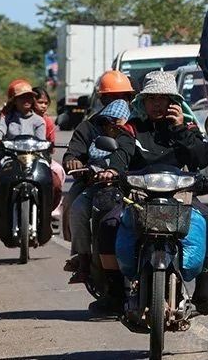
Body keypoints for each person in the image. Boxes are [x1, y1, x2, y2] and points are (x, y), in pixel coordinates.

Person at [111, 71, 208, 318]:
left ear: (173, 102)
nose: (157, 104)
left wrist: (179, 129)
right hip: (138, 196)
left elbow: (199, 159)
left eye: (163, 98)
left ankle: (204, 293)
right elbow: (121, 155)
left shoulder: (187, 127)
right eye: (151, 98)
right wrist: (113, 171)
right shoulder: (131, 129)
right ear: (143, 101)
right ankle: (113, 294)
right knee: (108, 222)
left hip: (180, 196)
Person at [62, 70, 137, 279]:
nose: (118, 103)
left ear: (131, 99)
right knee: (77, 208)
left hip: (136, 184)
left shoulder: (138, 125)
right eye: (111, 98)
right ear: (103, 100)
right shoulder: (88, 127)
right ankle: (83, 259)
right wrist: (73, 161)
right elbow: (73, 152)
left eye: (123, 97)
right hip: (96, 184)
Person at [0, 79, 48, 232]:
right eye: (22, 97)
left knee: (48, 179)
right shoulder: (7, 118)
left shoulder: (39, 121)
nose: (26, 100)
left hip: (33, 159)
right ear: (14, 101)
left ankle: (47, 214)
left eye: (29, 97)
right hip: (10, 158)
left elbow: (41, 142)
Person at [31, 86, 66, 215]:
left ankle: (54, 210)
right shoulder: (20, 117)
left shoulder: (48, 121)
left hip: (42, 159)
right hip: (21, 158)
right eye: (40, 102)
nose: (44, 106)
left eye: (46, 103)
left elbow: (51, 146)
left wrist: (49, 147)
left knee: (59, 172)